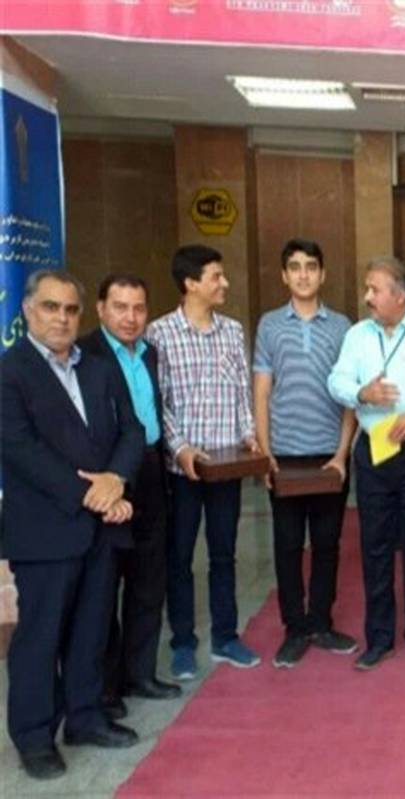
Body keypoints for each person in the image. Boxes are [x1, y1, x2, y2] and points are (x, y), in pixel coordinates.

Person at [3, 270, 143, 780]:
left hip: (100, 529)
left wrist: (117, 479)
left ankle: (86, 718)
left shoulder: (99, 369)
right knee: (40, 638)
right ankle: (34, 736)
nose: (61, 318)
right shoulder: (10, 373)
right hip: (46, 529)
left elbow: (133, 430)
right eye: (50, 307)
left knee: (91, 629)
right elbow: (19, 449)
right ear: (27, 311)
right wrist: (93, 494)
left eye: (70, 309)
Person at [328, 256, 405, 670]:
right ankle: (379, 637)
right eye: (367, 288)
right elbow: (336, 380)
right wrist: (361, 394)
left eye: (374, 289)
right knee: (375, 545)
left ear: (400, 296)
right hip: (374, 451)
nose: (367, 297)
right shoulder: (357, 335)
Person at [147, 245, 262, 680]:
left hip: (226, 467)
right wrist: (180, 448)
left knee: (224, 553)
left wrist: (249, 434)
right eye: (216, 276)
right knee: (179, 558)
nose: (224, 283)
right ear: (190, 283)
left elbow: (241, 392)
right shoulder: (160, 334)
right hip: (182, 471)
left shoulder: (232, 331)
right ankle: (182, 642)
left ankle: (226, 637)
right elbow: (158, 402)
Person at [253, 239, 358, 669]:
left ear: (322, 274)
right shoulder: (269, 325)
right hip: (285, 456)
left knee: (328, 544)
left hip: (329, 456)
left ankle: (321, 623)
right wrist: (265, 454)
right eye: (294, 267)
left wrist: (342, 454)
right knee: (288, 545)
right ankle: (294, 628)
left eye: (310, 266)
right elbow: (262, 392)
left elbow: (351, 396)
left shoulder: (343, 327)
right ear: (284, 275)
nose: (303, 274)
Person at [78, 275, 180, 719]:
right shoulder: (84, 355)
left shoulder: (150, 352)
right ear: (100, 309)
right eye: (120, 307)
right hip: (108, 478)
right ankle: (106, 687)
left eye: (138, 308)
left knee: (148, 578)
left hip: (151, 470)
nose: (130, 317)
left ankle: (141, 674)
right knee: (104, 585)